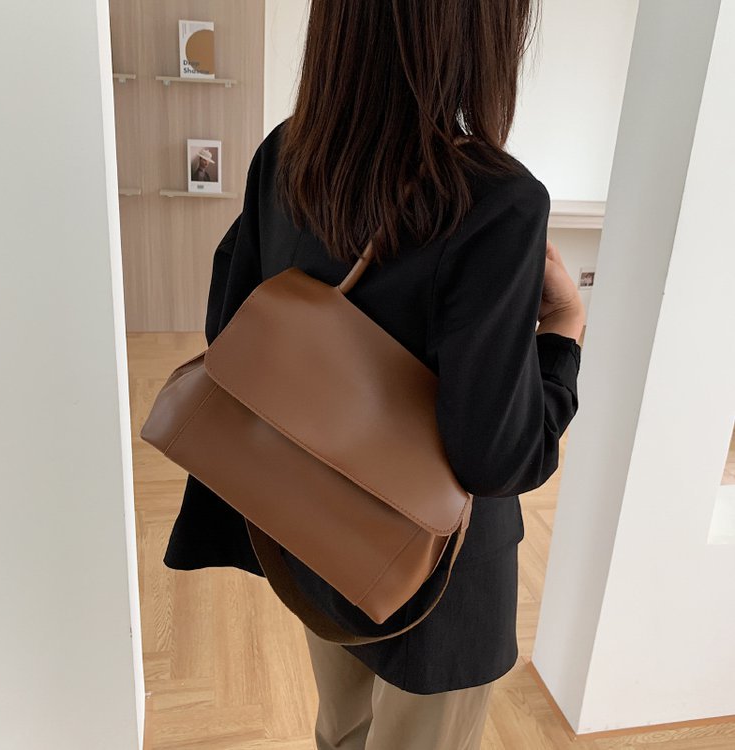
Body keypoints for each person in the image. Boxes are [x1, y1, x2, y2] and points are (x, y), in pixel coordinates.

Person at [162, 0, 585, 747]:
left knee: (341, 731)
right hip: (440, 572)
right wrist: (564, 332)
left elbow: (230, 328)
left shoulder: (288, 154)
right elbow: (496, 458)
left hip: (313, 523)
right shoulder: (496, 201)